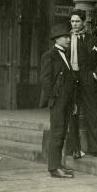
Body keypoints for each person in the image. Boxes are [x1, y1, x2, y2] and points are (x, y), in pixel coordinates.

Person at [65, 9, 97, 159]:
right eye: (72, 21)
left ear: (84, 22)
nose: (74, 24)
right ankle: (74, 149)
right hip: (71, 77)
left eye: (77, 21)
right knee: (73, 113)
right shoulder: (67, 38)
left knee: (93, 113)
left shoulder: (92, 38)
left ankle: (96, 148)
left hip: (87, 77)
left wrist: (94, 74)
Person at [40, 23, 76, 178]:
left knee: (62, 133)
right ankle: (54, 167)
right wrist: (55, 96)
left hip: (67, 101)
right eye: (65, 37)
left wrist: (72, 102)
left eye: (68, 36)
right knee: (56, 132)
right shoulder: (49, 55)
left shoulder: (65, 55)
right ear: (56, 39)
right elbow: (45, 80)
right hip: (58, 101)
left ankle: (58, 164)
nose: (68, 39)